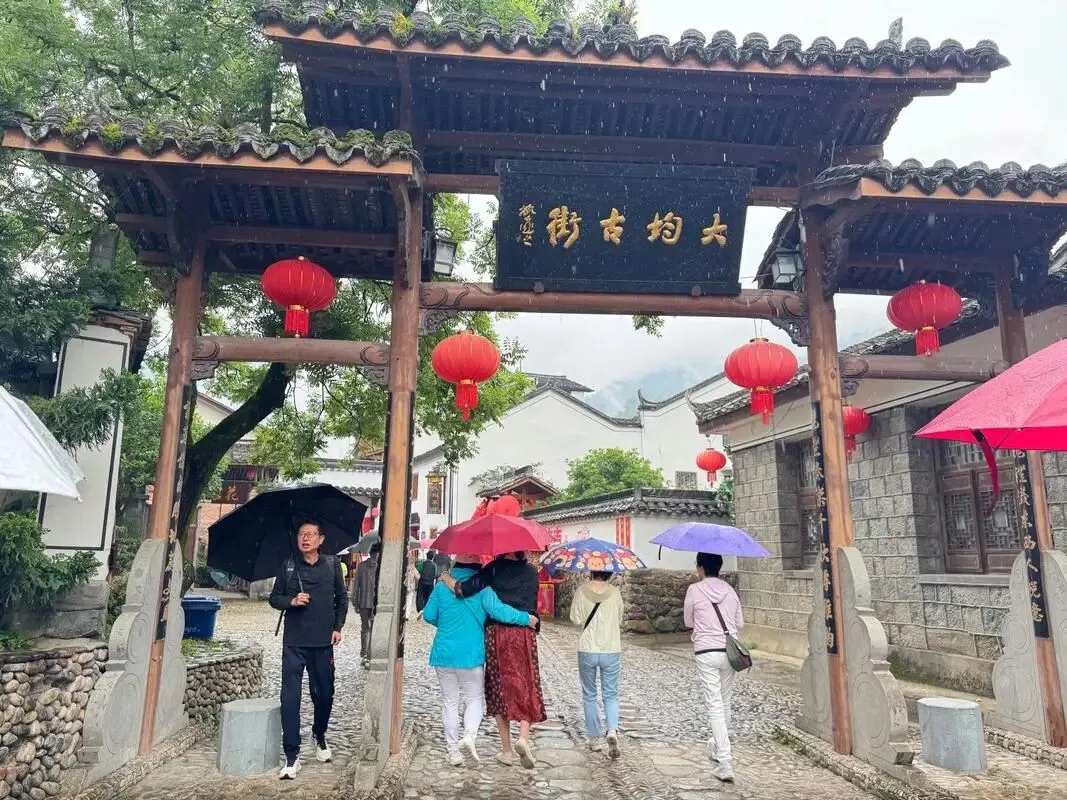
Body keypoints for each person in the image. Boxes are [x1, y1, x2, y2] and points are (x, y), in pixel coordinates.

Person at [423, 554, 538, 768]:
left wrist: (445, 623)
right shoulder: (483, 590)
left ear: (456, 564)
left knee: (449, 702)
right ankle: (469, 737)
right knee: (474, 698)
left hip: (444, 652)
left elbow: (429, 615)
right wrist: (526, 618)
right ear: (477, 568)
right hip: (471, 654)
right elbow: (500, 612)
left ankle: (453, 752)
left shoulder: (440, 588)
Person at [268, 520, 348, 780]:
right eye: (302, 534)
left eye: (311, 534)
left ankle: (319, 734)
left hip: (323, 642)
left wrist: (338, 627)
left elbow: (342, 598)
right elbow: (274, 598)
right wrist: (292, 600)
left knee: (324, 694)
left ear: (321, 539)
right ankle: (292, 755)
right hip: (294, 643)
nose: (305, 538)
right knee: (290, 699)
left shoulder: (332, 565)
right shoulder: (288, 566)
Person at [683, 552, 743, 784]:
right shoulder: (730, 591)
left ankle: (725, 761)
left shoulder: (694, 590)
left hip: (706, 651)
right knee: (725, 701)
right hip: (730, 651)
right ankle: (718, 747)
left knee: (714, 703)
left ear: (701, 567)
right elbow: (739, 623)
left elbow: (688, 621)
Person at [569, 570, 624, 758]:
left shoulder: (581, 591)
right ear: (609, 573)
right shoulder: (615, 593)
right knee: (611, 694)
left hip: (587, 649)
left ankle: (594, 738)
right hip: (611, 648)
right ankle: (612, 730)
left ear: (591, 571)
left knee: (589, 694)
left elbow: (575, 618)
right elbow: (619, 618)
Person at [353, 542, 380, 669]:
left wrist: (355, 601)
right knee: (373, 629)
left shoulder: (362, 566)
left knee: (365, 629)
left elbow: (356, 585)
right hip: (376, 602)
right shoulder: (381, 567)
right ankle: (369, 656)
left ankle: (364, 654)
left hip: (364, 602)